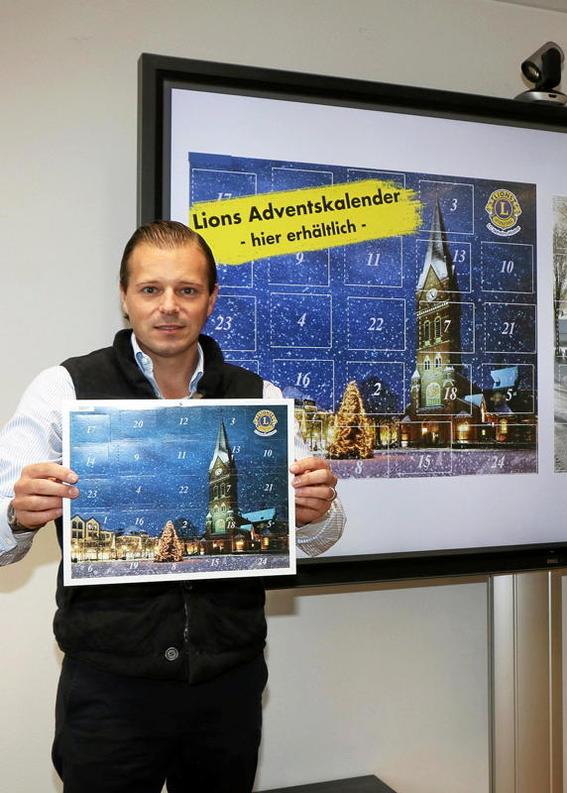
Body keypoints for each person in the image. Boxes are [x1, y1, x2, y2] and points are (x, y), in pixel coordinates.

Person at [0, 220, 346, 793]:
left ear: (211, 299)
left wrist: (314, 511)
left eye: (187, 290)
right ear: (124, 297)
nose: (169, 307)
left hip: (228, 689)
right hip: (109, 691)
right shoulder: (64, 389)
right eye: (150, 289)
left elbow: (326, 528)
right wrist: (16, 511)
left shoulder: (258, 397)